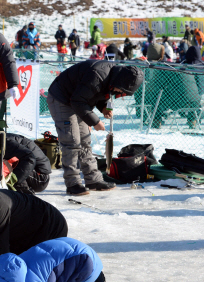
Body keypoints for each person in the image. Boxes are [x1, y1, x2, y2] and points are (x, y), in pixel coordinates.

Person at [47, 61, 144, 195]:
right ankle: (73, 183)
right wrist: (95, 121)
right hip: (62, 99)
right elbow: (78, 99)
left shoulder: (113, 77)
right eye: (121, 91)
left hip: (77, 102)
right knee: (72, 142)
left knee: (85, 141)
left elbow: (96, 93)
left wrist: (103, 107)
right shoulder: (98, 75)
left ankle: (93, 180)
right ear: (120, 82)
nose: (120, 94)